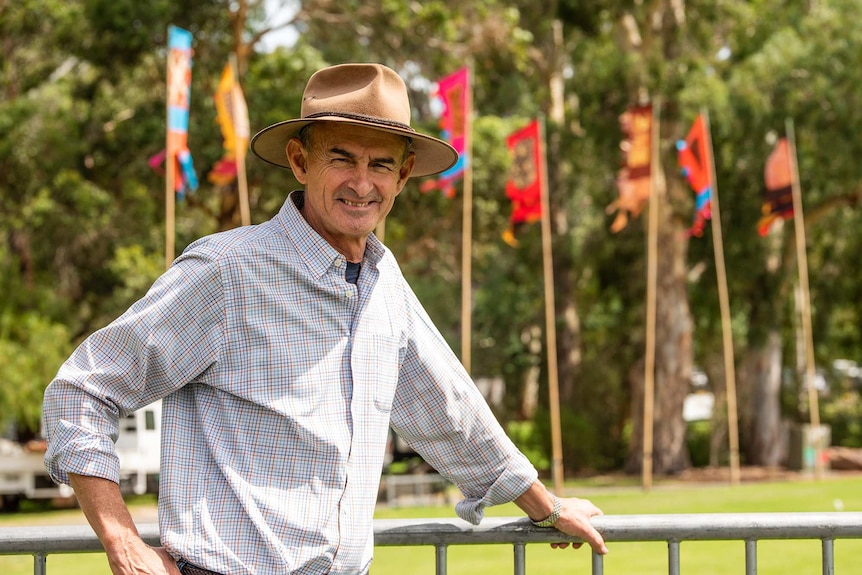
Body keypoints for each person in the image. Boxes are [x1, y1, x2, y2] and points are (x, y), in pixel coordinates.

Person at [42, 62, 607, 575]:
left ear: (404, 176)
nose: (362, 184)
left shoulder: (385, 285)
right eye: (342, 158)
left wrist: (548, 507)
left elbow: (450, 412)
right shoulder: (228, 272)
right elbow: (81, 391)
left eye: (381, 165)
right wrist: (123, 542)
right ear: (299, 160)